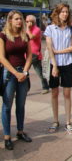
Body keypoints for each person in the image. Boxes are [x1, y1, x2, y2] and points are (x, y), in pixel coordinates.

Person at [44, 3, 72, 134]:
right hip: (54, 64)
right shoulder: (50, 29)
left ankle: (68, 122)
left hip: (67, 64)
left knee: (67, 93)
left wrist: (58, 52)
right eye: (62, 12)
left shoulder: (71, 29)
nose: (65, 14)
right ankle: (55, 120)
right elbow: (49, 47)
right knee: (54, 93)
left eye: (67, 12)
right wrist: (54, 65)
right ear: (57, 13)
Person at [0, 10, 32, 150]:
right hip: (9, 73)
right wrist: (15, 73)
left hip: (23, 73)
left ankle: (20, 131)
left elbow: (30, 56)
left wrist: (24, 72)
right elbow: (1, 57)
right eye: (17, 19)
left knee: (21, 105)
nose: (20, 21)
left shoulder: (25, 35)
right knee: (7, 105)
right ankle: (7, 136)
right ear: (10, 20)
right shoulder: (3, 35)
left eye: (21, 19)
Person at [26, 15, 49, 94]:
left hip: (34, 54)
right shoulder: (24, 29)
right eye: (27, 21)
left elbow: (31, 37)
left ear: (34, 22)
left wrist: (28, 29)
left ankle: (45, 87)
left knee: (39, 72)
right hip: (26, 53)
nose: (29, 23)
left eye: (30, 21)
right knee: (25, 71)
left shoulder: (37, 29)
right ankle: (26, 87)